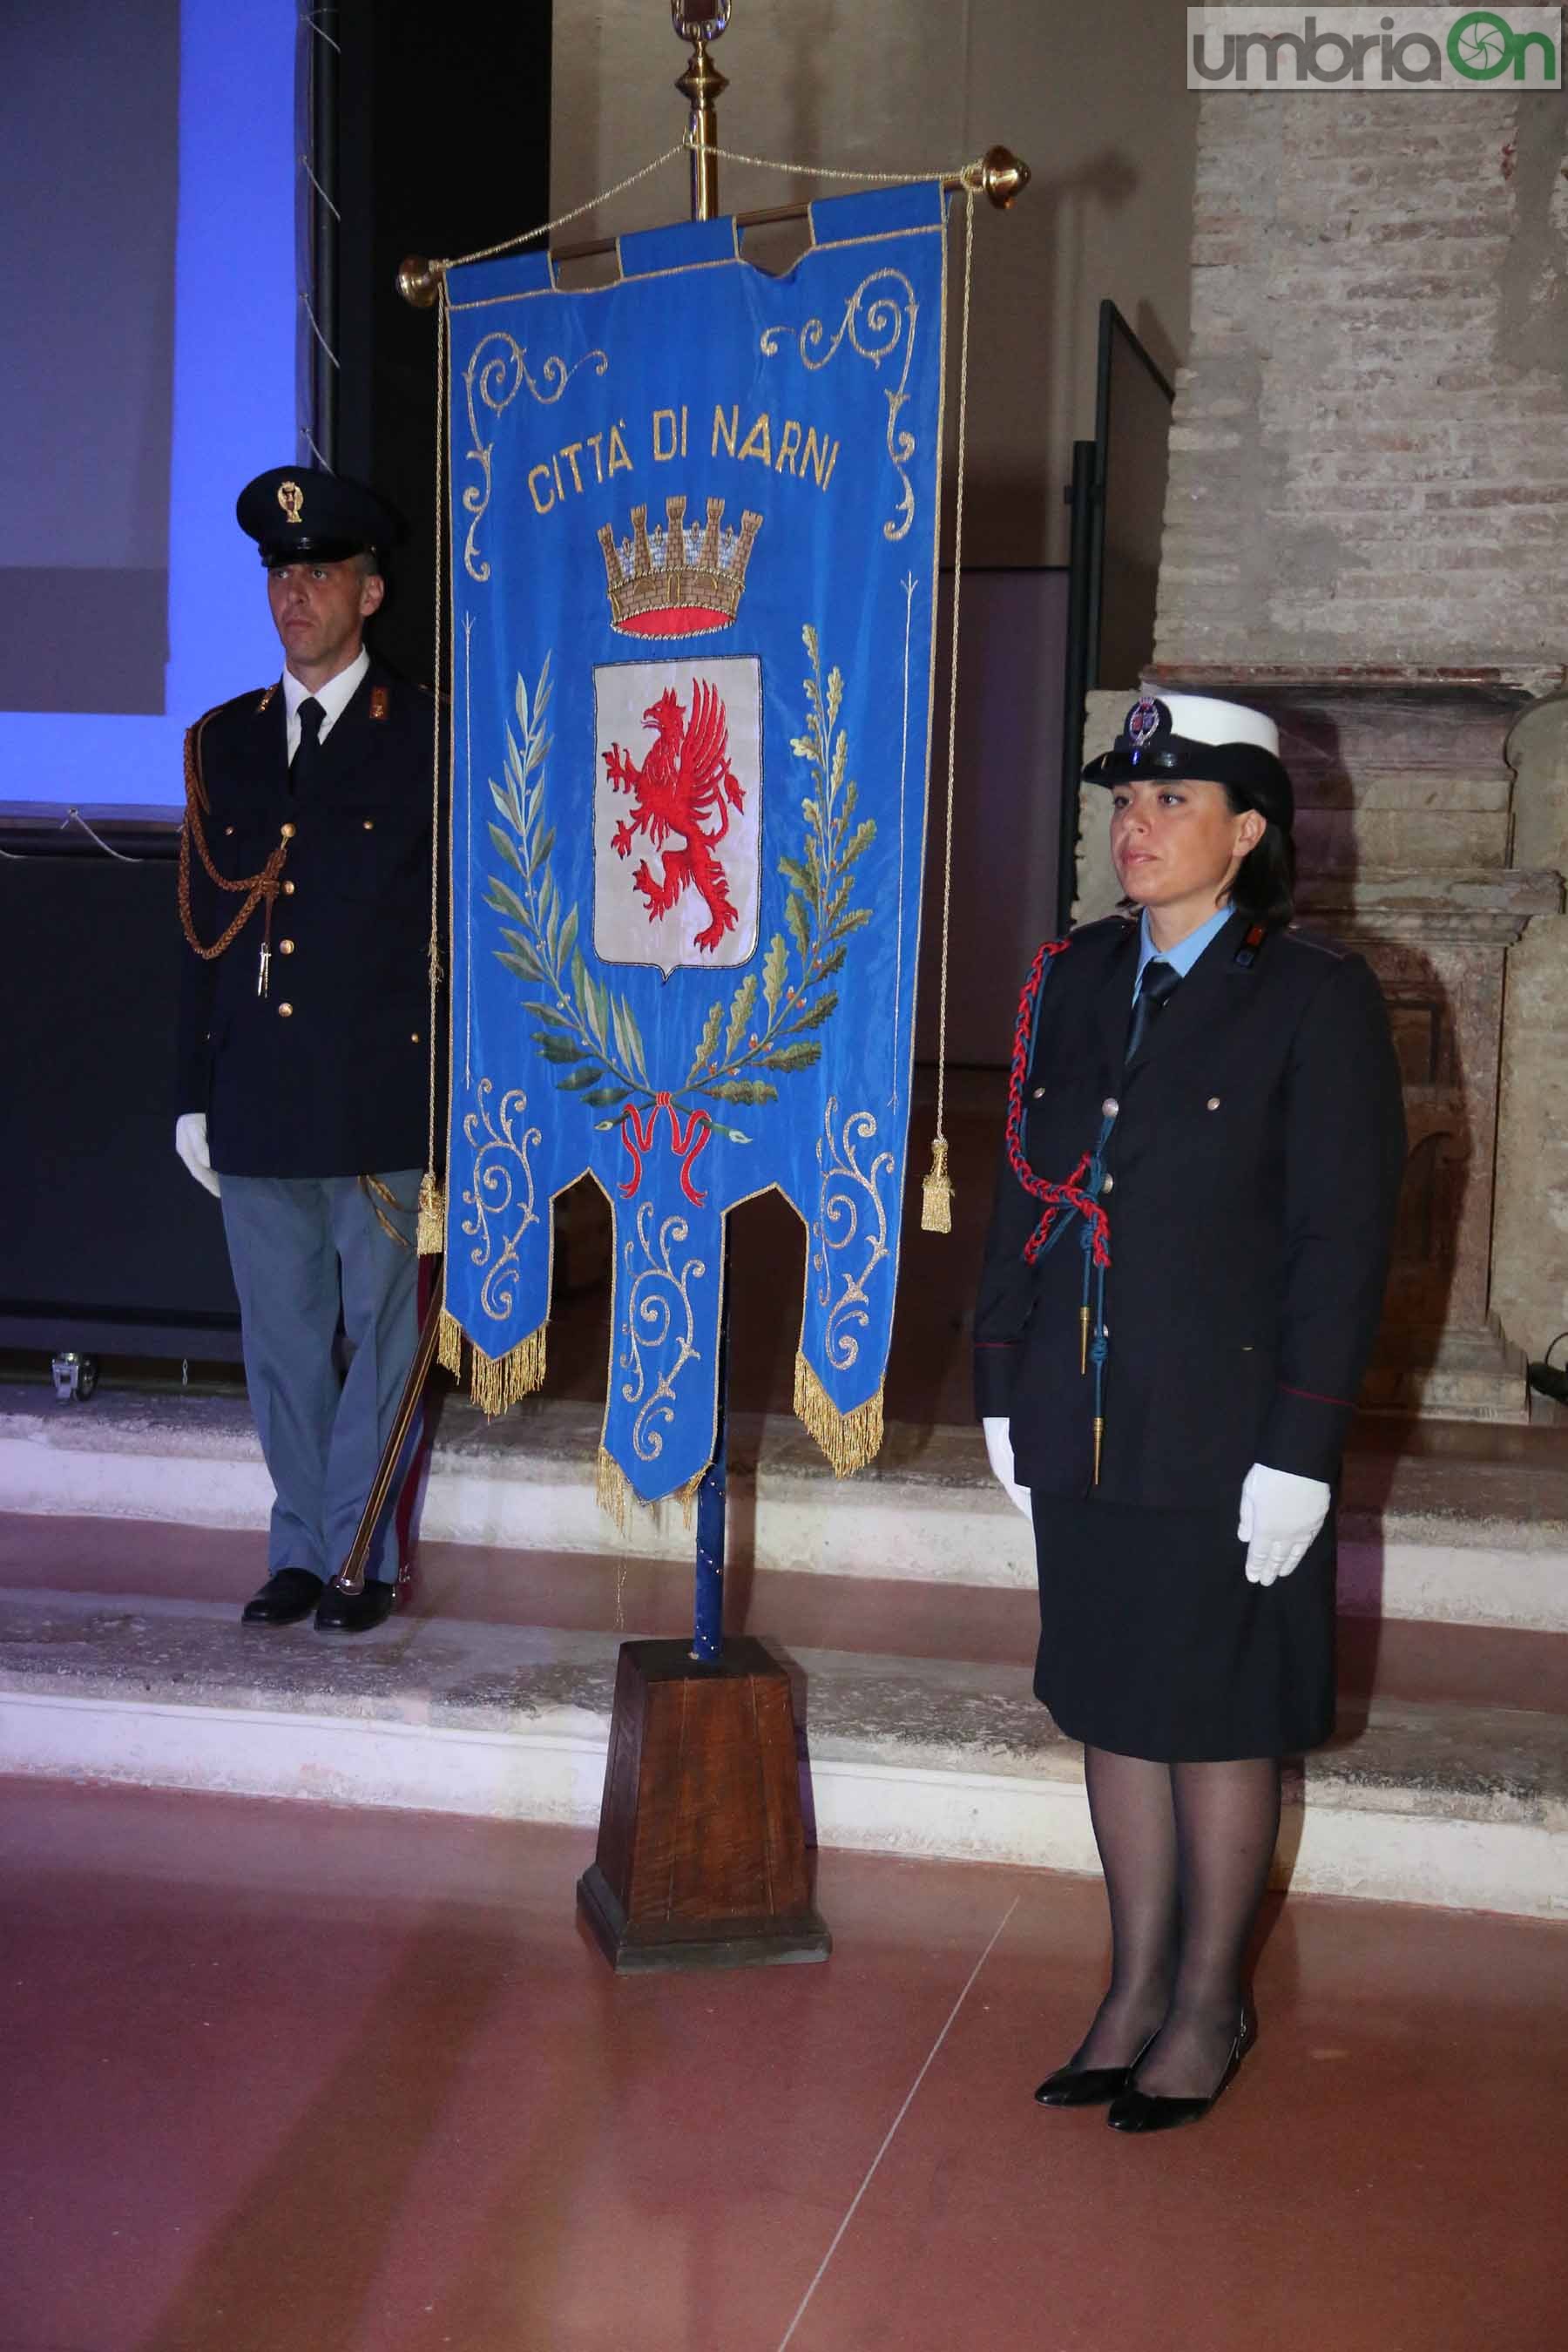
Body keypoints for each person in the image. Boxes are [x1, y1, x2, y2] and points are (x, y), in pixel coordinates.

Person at [975, 692, 1405, 2132]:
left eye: (1169, 803)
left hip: (1226, 1440)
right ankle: (1130, 1983)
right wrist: (998, 1377)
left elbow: (1341, 1244)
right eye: (1125, 801)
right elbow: (1021, 1195)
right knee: (1112, 1702)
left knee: (1216, 1717)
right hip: (1084, 1415)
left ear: (1249, 834)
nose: (1134, 826)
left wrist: (1304, 1445)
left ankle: (1209, 2002)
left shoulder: (1313, 997)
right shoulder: (1079, 979)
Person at [175, 466, 436, 1634]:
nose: (297, 594)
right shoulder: (223, 742)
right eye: (283, 574)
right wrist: (192, 1092)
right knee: (281, 1342)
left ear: (370, 595)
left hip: (381, 1092)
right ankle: (302, 1547)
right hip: (262, 1096)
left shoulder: (425, 734)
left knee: (379, 1341)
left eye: (321, 574)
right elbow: (198, 929)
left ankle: (358, 1557)